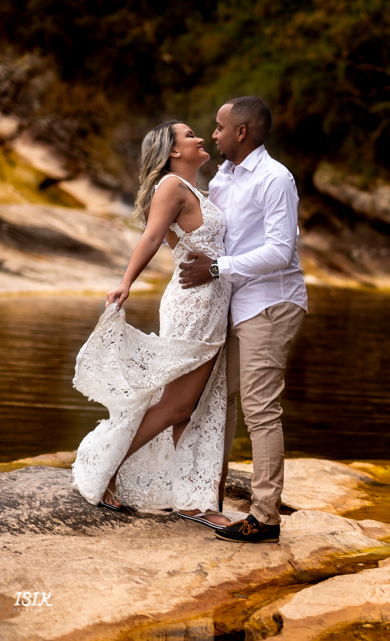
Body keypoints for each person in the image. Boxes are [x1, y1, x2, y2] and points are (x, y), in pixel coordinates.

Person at [72, 121, 233, 529]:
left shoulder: (197, 190)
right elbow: (150, 237)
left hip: (211, 306)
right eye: (191, 135)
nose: (201, 138)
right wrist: (125, 283)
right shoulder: (171, 187)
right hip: (193, 306)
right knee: (179, 405)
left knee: (190, 408)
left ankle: (191, 496)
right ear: (174, 151)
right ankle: (105, 470)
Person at [178, 96, 307, 543]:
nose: (212, 134)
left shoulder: (275, 179)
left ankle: (265, 517)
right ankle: (207, 494)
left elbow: (280, 252)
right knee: (219, 400)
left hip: (269, 304)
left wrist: (215, 269)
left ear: (242, 132)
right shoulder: (223, 177)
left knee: (260, 410)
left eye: (219, 127)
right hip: (233, 303)